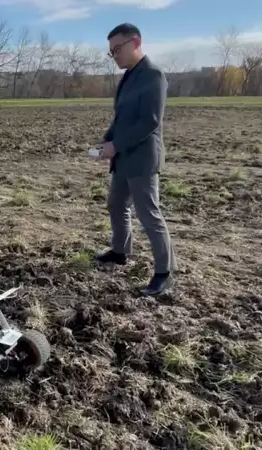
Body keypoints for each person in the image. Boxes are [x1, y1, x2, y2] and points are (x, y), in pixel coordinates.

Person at [95, 23, 178, 296]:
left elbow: (149, 122)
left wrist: (116, 145)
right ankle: (120, 252)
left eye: (117, 49)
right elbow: (122, 118)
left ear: (136, 42)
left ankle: (165, 273)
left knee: (148, 214)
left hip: (142, 160)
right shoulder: (129, 76)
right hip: (123, 158)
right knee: (116, 204)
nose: (114, 55)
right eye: (111, 51)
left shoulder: (153, 75)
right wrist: (107, 141)